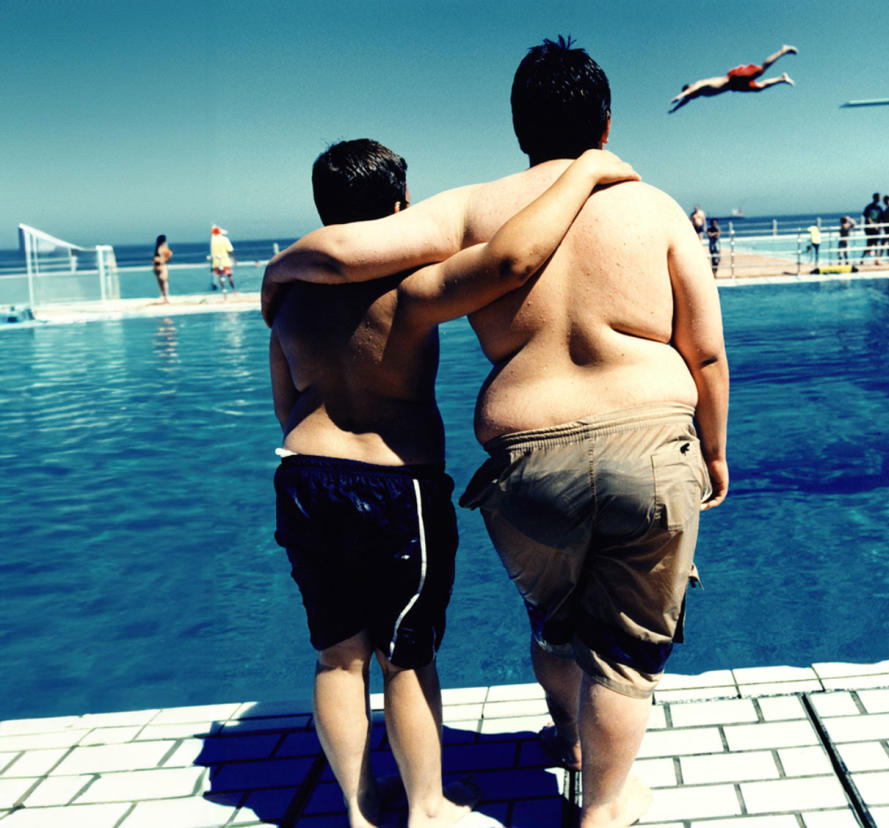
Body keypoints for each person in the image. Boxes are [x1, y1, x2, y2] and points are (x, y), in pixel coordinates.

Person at [263, 37, 728, 828]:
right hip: (646, 448)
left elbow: (343, 257)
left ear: (517, 124)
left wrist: (275, 276)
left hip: (517, 463)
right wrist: (715, 451)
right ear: (607, 123)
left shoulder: (472, 208)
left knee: (548, 620)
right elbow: (707, 351)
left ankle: (538, 744)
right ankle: (603, 806)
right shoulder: (651, 207)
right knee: (618, 652)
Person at [271, 138, 637, 828]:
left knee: (336, 655)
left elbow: (283, 401)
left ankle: (357, 810)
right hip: (394, 484)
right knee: (405, 655)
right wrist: (586, 169)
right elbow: (509, 258)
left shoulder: (288, 303)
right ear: (399, 208)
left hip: (303, 477)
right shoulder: (410, 288)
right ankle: (428, 808)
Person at [668, 45, 796, 113]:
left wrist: (678, 96)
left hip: (733, 78)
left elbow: (689, 93)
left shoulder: (698, 85)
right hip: (734, 87)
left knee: (760, 71)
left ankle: (782, 50)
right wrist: (675, 109)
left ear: (689, 88)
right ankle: (781, 79)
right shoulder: (698, 94)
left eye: (690, 95)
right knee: (759, 88)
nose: (692, 98)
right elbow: (686, 100)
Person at [210, 225, 237, 293]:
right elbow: (230, 250)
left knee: (220, 276)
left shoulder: (213, 241)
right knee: (229, 276)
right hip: (225, 261)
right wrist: (233, 259)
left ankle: (223, 290)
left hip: (216, 262)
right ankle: (234, 290)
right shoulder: (225, 239)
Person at [860, 193, 884, 262]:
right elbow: (867, 217)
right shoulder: (869, 207)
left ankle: (877, 259)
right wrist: (873, 225)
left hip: (876, 229)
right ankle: (862, 258)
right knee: (869, 244)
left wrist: (879, 227)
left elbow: (881, 218)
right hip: (870, 229)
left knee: (876, 243)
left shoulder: (879, 208)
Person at [152, 235, 172, 303]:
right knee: (163, 282)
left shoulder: (159, 248)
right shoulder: (163, 248)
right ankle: (165, 297)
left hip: (158, 266)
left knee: (161, 282)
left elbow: (168, 256)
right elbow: (169, 256)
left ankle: (164, 297)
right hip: (161, 266)